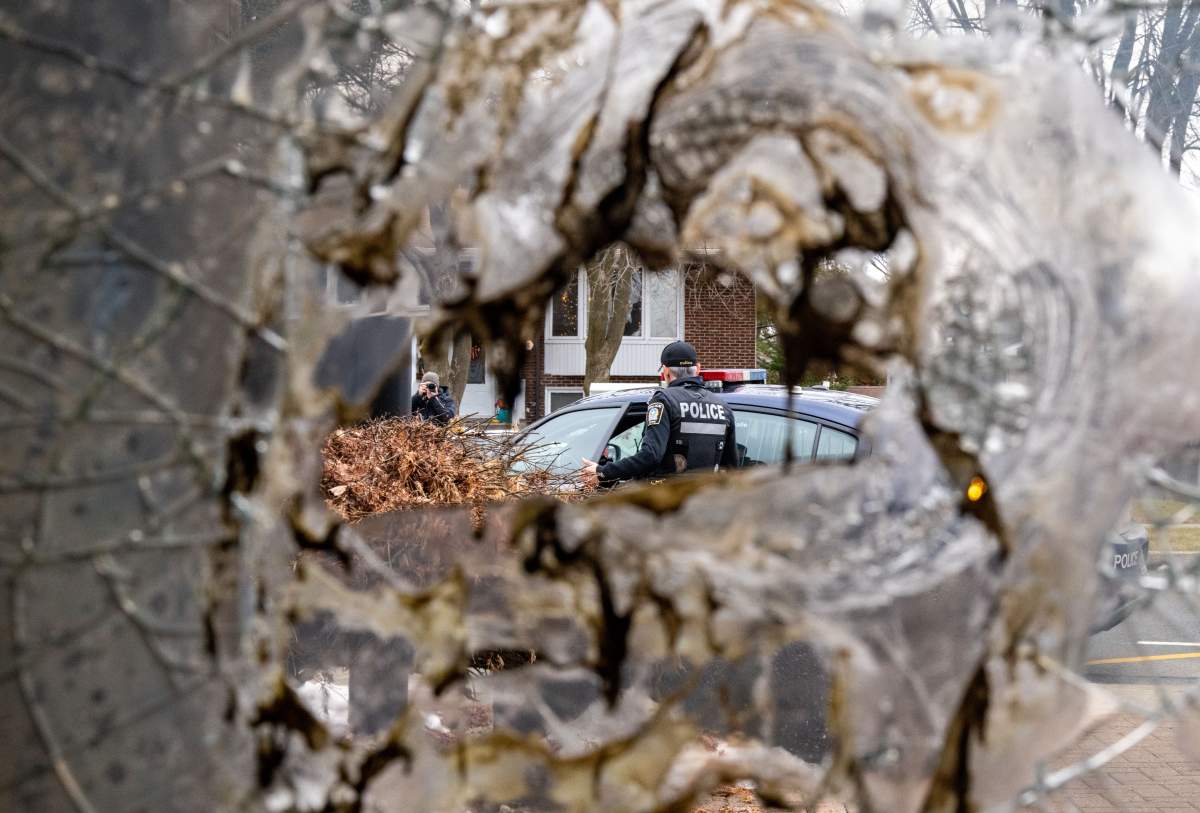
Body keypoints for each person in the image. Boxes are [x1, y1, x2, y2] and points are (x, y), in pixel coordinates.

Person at [581, 340, 738, 487]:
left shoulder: (663, 401)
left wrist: (603, 471)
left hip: (669, 500)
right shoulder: (723, 407)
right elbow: (732, 468)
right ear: (697, 368)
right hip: (706, 501)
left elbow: (650, 456)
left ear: (666, 371)